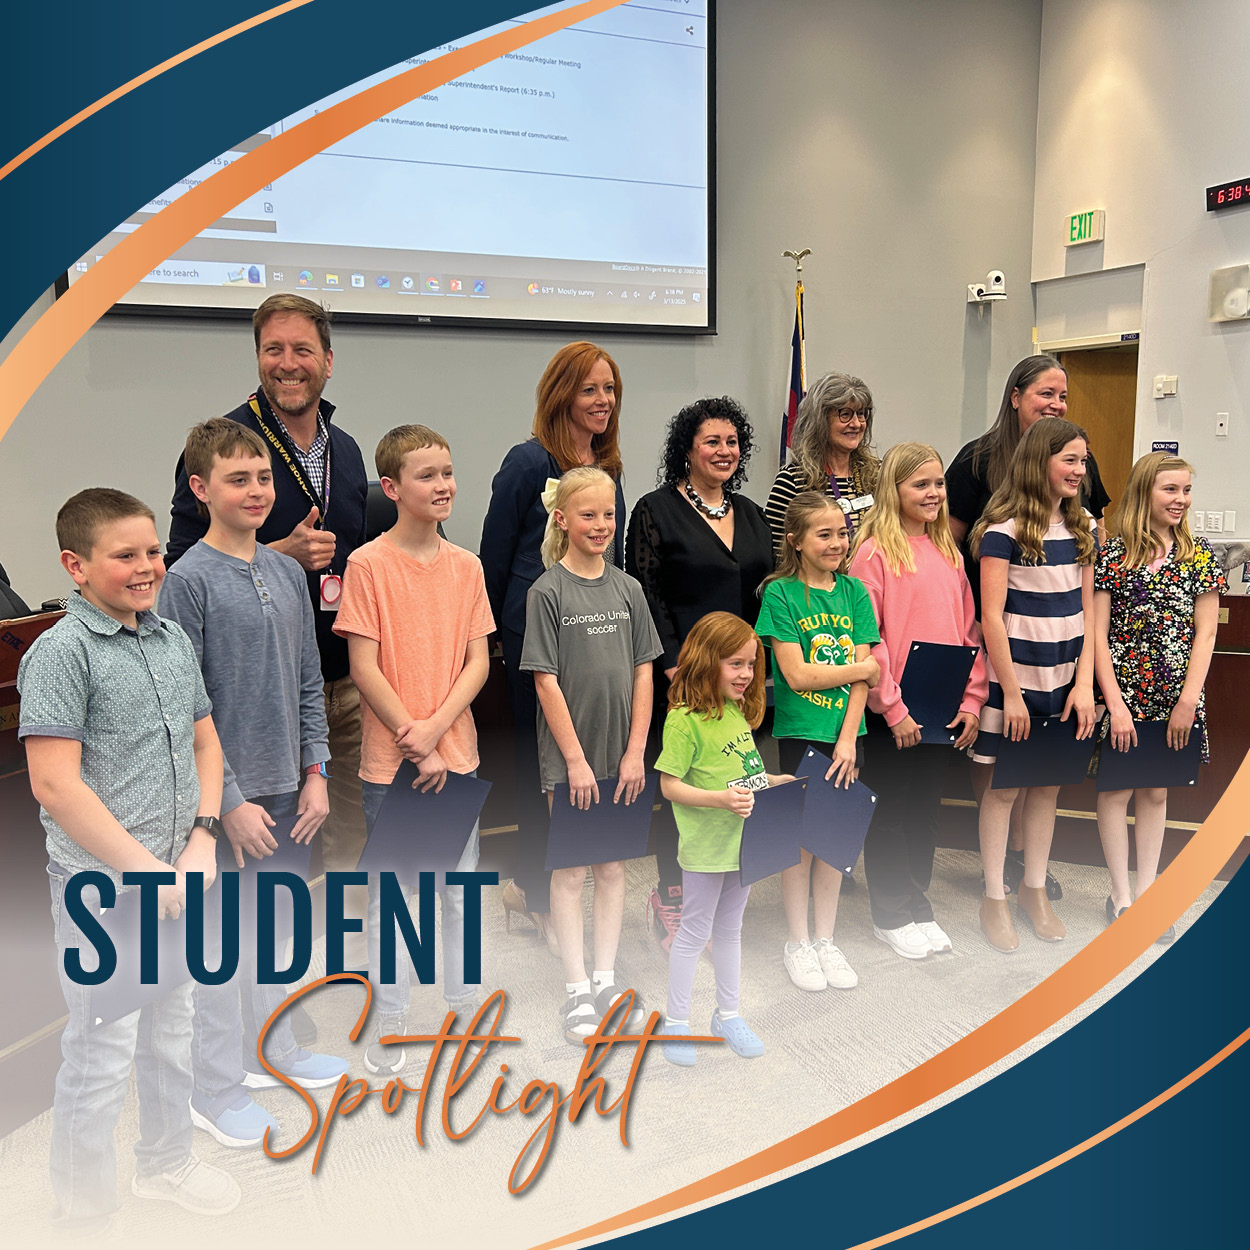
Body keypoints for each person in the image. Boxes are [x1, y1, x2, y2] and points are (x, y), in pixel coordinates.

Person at [17, 488, 239, 1224]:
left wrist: (204, 835)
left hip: (180, 878)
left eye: (153, 552)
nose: (147, 568)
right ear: (75, 566)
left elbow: (205, 738)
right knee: (102, 1055)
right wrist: (149, 871)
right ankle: (81, 1215)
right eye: (126, 556)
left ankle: (166, 1162)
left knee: (173, 1032)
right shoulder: (61, 653)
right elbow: (54, 783)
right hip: (105, 895)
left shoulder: (169, 640)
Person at [169, 294, 371, 1004]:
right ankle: (240, 1001)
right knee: (252, 857)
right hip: (246, 699)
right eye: (274, 349)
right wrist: (277, 554)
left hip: (335, 680)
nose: (289, 364)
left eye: (303, 350)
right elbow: (177, 561)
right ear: (259, 356)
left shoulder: (346, 452)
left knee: (342, 828)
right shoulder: (223, 442)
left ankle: (326, 971)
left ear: (327, 360)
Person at [159, 419, 350, 1147]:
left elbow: (308, 681)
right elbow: (187, 706)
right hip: (221, 803)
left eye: (264, 477)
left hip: (291, 791)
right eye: (237, 479)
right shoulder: (186, 582)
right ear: (202, 489)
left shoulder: (284, 572)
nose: (255, 491)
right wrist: (227, 804)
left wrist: (316, 772)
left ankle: (270, 1049)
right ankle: (213, 1086)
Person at [334, 424, 494, 1078]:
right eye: (428, 475)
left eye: (448, 472)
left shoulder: (467, 567)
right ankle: (391, 1014)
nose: (444, 485)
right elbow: (365, 668)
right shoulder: (367, 565)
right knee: (394, 899)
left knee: (459, 893)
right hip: (390, 767)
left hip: (455, 759)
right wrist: (412, 736)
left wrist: (437, 732)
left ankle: (463, 1006)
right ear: (392, 488)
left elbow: (478, 661)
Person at [480, 342, 628, 955]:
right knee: (546, 769)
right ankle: (534, 892)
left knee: (587, 764)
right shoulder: (525, 461)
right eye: (590, 389)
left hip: (595, 634)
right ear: (561, 393)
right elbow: (492, 557)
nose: (602, 401)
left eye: (610, 390)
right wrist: (489, 642)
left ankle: (556, 882)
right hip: (533, 635)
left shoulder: (609, 463)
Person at [946, 355, 1109, 902]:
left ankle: (1025, 863)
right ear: (1015, 395)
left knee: (1044, 778)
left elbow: (1091, 553)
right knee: (999, 772)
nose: (1056, 402)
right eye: (1046, 392)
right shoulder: (978, 464)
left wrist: (1085, 681)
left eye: (1063, 395)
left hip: (1060, 656)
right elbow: (951, 547)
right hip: (999, 635)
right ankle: (1000, 868)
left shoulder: (1076, 493)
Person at [625, 396, 773, 950]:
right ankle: (672, 895)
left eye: (732, 442)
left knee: (733, 784)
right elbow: (645, 592)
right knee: (684, 790)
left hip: (743, 681)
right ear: (686, 449)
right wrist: (670, 664)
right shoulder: (653, 510)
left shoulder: (752, 513)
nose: (724, 451)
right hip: (683, 678)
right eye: (712, 441)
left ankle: (720, 893)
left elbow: (768, 591)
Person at [520, 467, 662, 1043]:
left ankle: (605, 977)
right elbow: (545, 682)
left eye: (608, 514)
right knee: (572, 867)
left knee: (612, 866)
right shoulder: (547, 592)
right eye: (588, 515)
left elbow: (645, 668)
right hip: (572, 761)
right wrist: (575, 762)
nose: (601, 525)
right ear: (562, 519)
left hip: (622, 755)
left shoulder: (628, 590)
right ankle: (577, 988)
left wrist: (635, 752)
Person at [849, 444, 987, 959]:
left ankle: (915, 899)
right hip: (896, 711)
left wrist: (972, 701)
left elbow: (970, 631)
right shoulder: (873, 554)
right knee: (890, 808)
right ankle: (889, 911)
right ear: (894, 490)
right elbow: (869, 638)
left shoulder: (949, 552)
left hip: (943, 706)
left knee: (925, 808)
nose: (933, 493)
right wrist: (892, 707)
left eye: (938, 484)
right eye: (920, 485)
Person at [969, 418, 1098, 952]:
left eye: (1083, 460)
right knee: (1004, 791)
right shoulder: (1002, 530)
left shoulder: (1085, 525)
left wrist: (1084, 684)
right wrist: (1013, 692)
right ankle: (994, 895)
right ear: (1038, 461)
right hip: (1015, 684)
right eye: (1069, 459)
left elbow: (1089, 610)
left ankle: (1034, 889)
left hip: (1065, 682)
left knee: (1048, 787)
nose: (1079, 469)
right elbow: (992, 617)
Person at [1093, 453, 1225, 944]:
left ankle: (1148, 895)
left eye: (1187, 490)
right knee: (1117, 790)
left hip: (1176, 696)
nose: (1181, 500)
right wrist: (1116, 703)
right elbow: (1098, 636)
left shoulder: (1200, 554)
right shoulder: (1113, 556)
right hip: (1124, 693)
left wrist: (1189, 700)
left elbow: (1206, 635)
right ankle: (1121, 896)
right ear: (1146, 491)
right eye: (1170, 490)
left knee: (1155, 791)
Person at [654, 612, 794, 1066]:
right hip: (705, 850)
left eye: (752, 665)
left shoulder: (735, 714)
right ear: (707, 660)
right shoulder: (682, 722)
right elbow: (668, 785)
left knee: (731, 931)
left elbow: (744, 774)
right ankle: (676, 1022)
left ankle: (728, 1015)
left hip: (745, 844)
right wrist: (719, 800)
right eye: (736, 664)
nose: (747, 674)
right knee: (694, 932)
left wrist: (772, 780)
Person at [756, 493, 880, 991]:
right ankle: (797, 941)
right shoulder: (780, 594)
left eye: (842, 533)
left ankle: (826, 940)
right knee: (801, 842)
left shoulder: (854, 592)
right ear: (796, 540)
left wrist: (849, 737)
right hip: (800, 732)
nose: (836, 543)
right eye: (823, 534)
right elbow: (798, 675)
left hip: (847, 738)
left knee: (834, 842)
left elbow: (863, 683)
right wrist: (861, 667)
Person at [765, 370, 881, 554]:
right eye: (845, 414)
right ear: (820, 420)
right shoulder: (793, 480)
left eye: (861, 414)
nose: (856, 423)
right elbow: (776, 554)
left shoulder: (878, 474)